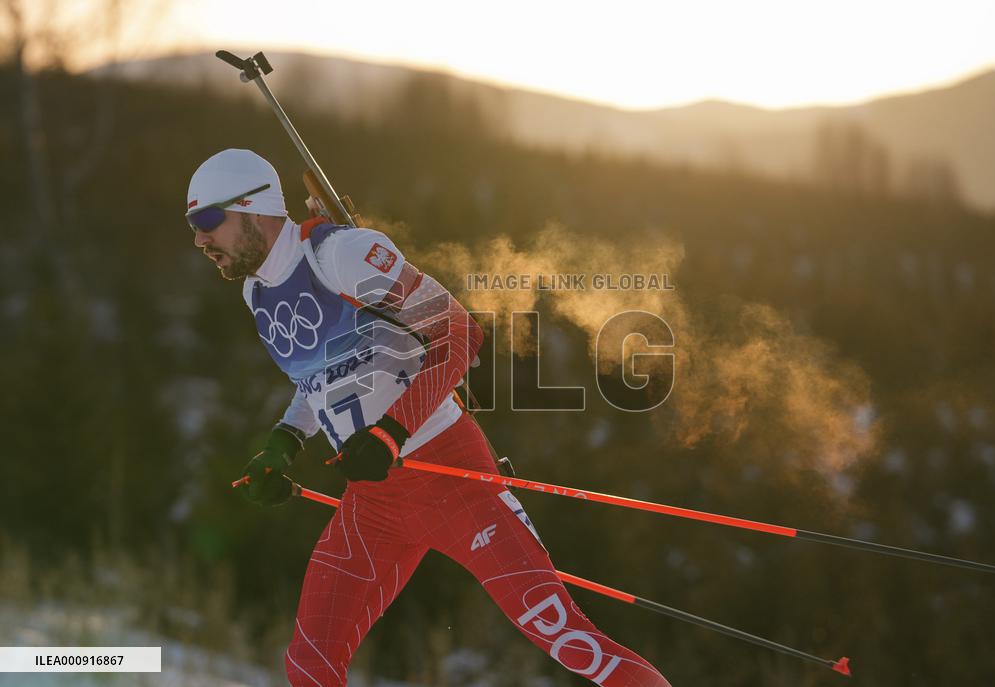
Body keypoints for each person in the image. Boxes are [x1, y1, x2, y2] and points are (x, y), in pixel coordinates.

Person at [186, 148, 670, 687]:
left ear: (254, 208)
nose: (201, 241)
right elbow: (316, 380)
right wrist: (283, 444)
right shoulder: (257, 292)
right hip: (374, 502)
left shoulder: (341, 255)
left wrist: (391, 433)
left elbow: (458, 332)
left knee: (575, 646)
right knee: (308, 667)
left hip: (451, 478)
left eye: (208, 221)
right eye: (193, 226)